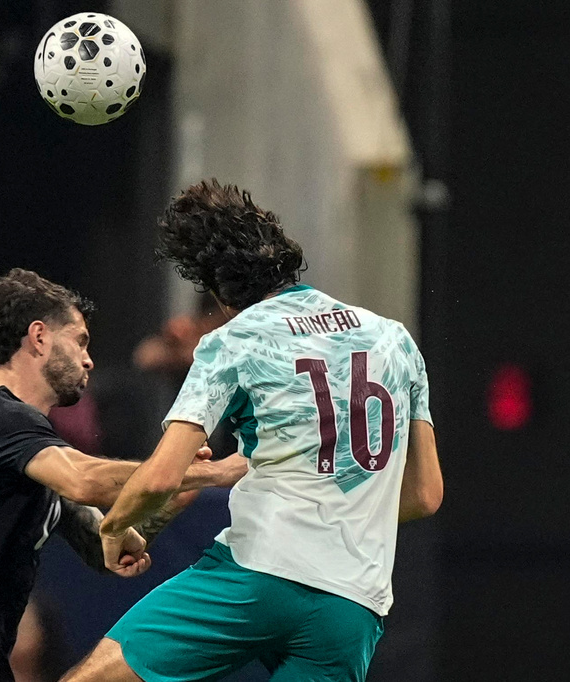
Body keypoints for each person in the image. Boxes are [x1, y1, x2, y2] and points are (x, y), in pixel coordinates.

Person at [63, 180, 444, 682]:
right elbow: (425, 493)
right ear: (284, 255)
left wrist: (112, 530)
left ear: (217, 291)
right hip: (351, 606)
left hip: (255, 578)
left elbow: (159, 479)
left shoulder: (234, 339)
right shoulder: (395, 340)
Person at [0, 268, 248, 682]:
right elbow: (85, 479)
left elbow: (109, 547)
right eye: (79, 340)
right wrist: (201, 473)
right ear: (39, 336)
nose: (88, 358)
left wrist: (168, 496)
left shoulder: (28, 453)